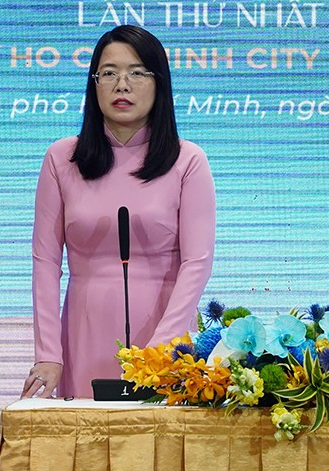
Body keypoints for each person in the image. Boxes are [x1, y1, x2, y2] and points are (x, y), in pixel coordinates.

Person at [23, 25, 216, 399]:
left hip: (165, 337)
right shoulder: (61, 159)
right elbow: (45, 262)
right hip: (84, 332)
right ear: (94, 84)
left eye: (137, 73)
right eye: (109, 73)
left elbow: (197, 262)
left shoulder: (188, 160)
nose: (121, 85)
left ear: (159, 83)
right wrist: (48, 353)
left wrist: (163, 348)